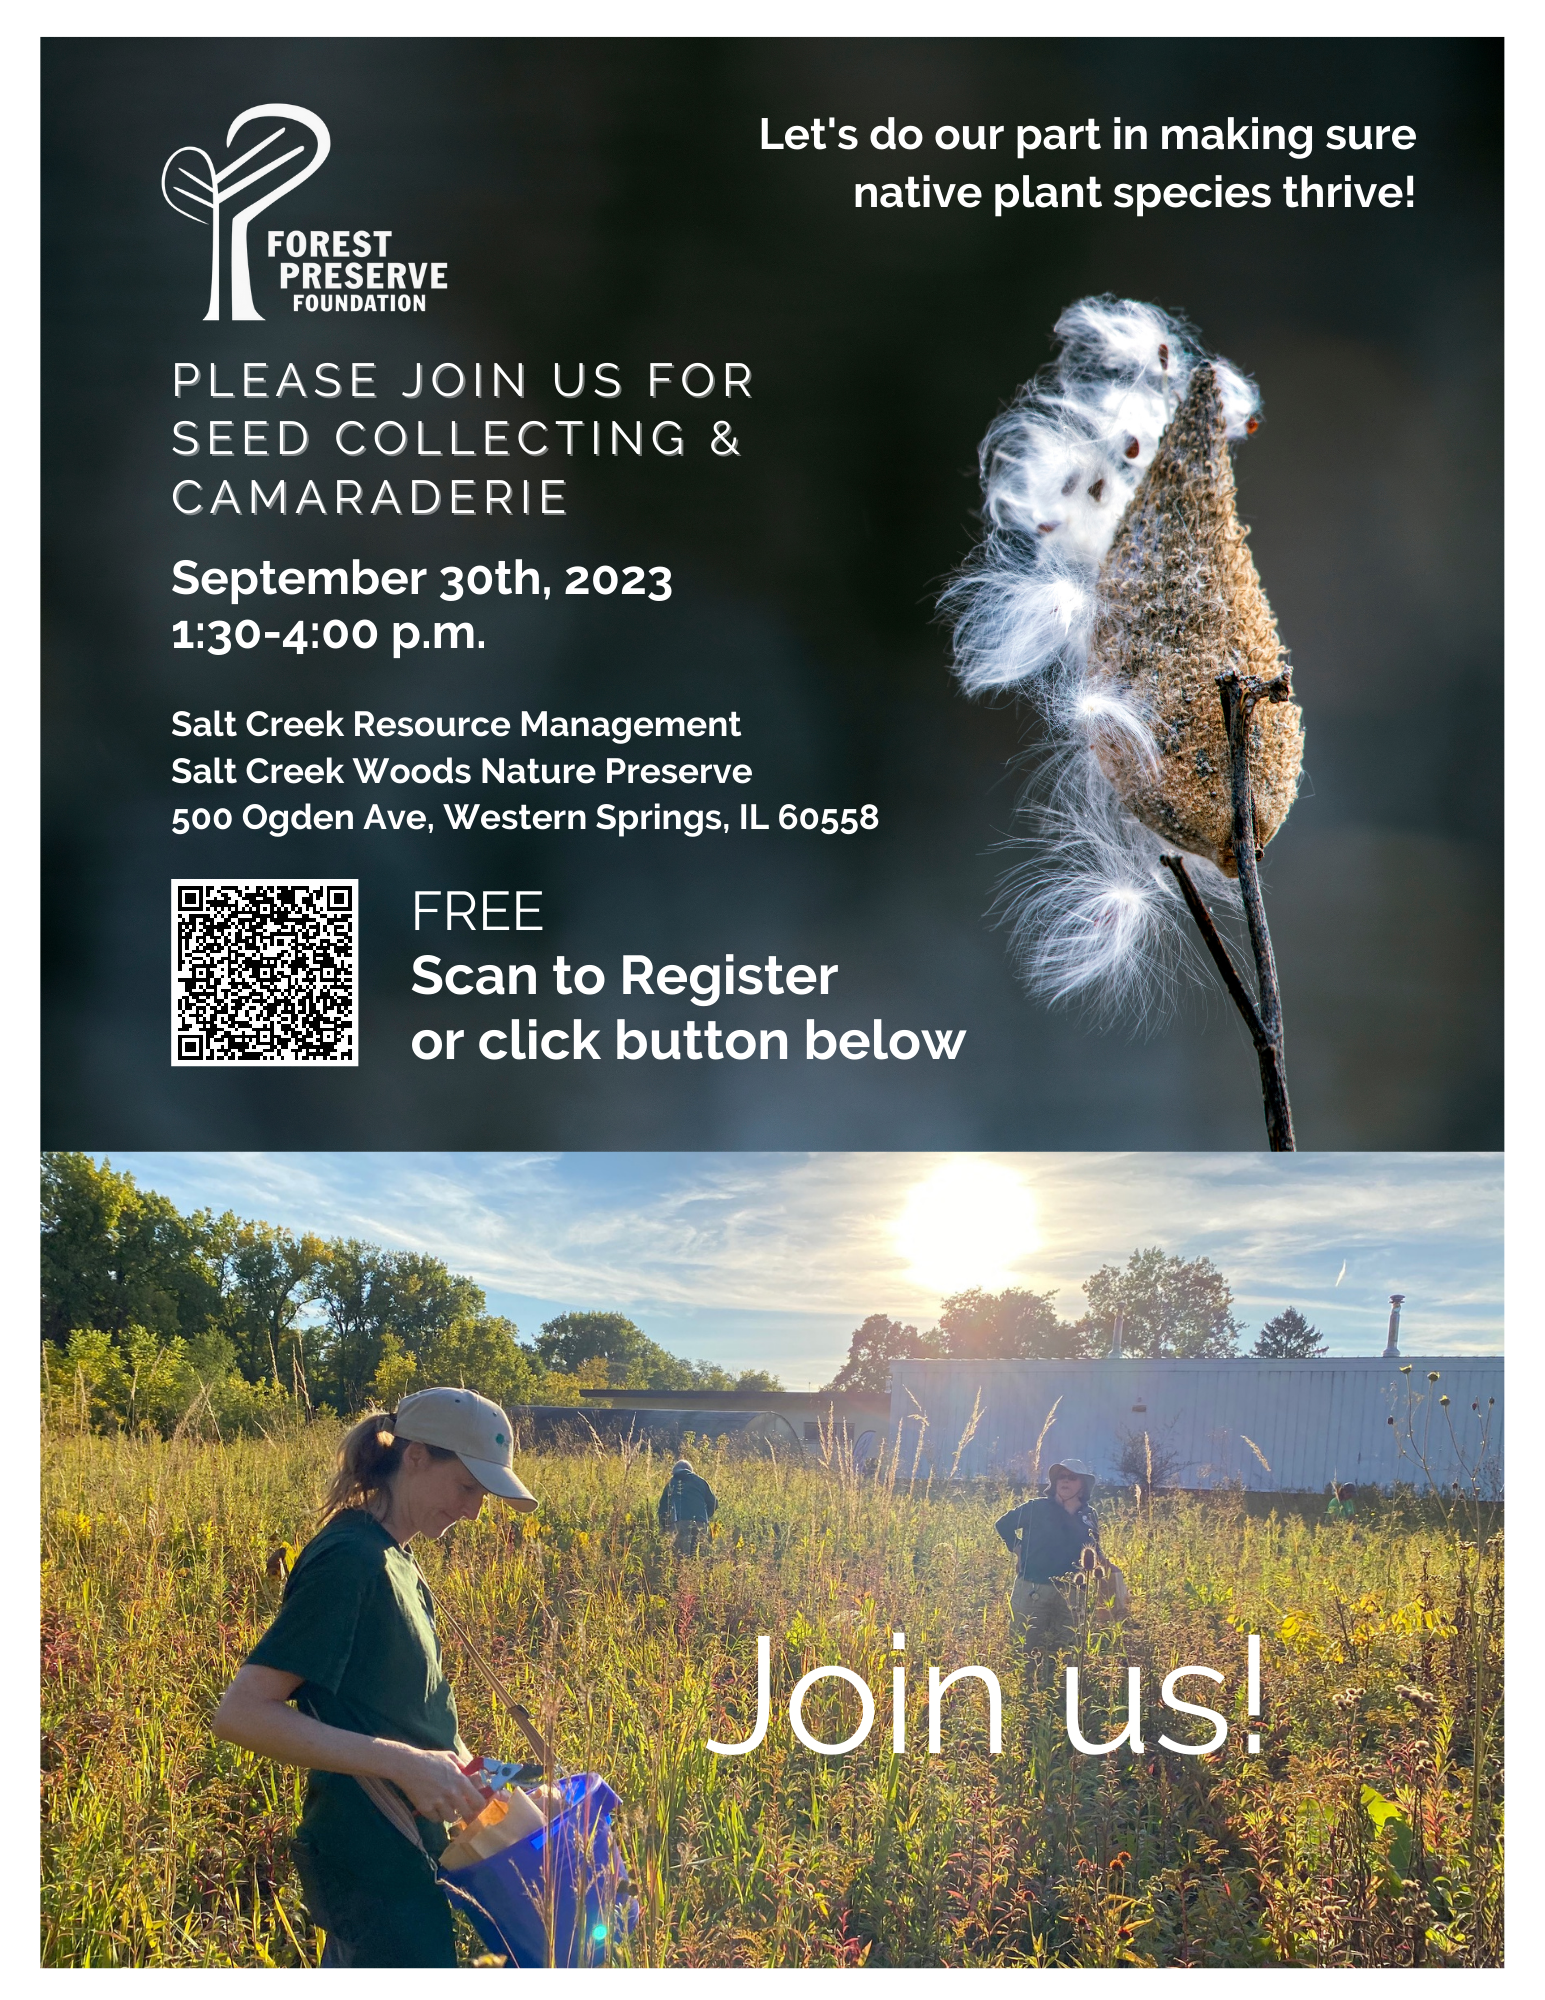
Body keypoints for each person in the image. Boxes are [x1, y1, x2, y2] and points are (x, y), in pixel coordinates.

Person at [212, 1387, 538, 1968]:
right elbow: (240, 1713)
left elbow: (402, 1714)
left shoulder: (397, 1558)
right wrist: (403, 1763)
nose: (471, 1512)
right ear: (415, 1457)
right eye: (466, 1487)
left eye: (482, 1496)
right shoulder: (349, 1559)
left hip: (406, 1859)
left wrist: (494, 1787)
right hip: (369, 1863)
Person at [995, 1457, 1128, 1648]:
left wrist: (1107, 1568)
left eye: (1072, 1477)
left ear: (1083, 1486)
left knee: (1068, 1650)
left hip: (1073, 1594)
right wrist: (1017, 1547)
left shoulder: (1089, 1515)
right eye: (1061, 1477)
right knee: (1025, 1648)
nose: (1065, 1480)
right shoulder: (1036, 1507)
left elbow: (1094, 1547)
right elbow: (1003, 1525)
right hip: (1034, 1588)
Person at [658, 1454, 717, 1554]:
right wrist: (705, 1515)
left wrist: (664, 1526)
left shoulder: (672, 1482)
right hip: (701, 1522)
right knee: (698, 1555)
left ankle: (681, 1569)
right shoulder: (701, 1482)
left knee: (681, 1555)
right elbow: (714, 1503)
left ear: (674, 1472)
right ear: (691, 1471)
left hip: (680, 1521)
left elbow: (663, 1507)